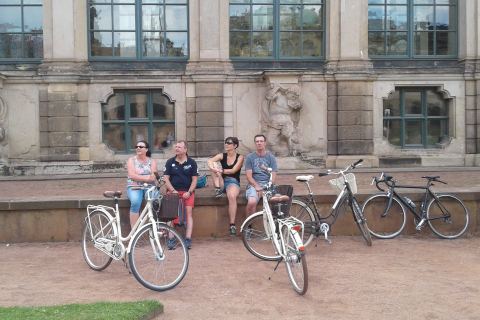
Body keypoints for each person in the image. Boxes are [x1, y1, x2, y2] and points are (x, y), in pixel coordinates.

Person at [163, 140, 198, 249]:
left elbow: (194, 180)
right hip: (173, 192)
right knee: (170, 216)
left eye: (179, 147)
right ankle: (171, 239)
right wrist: (173, 191)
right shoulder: (170, 162)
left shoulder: (192, 162)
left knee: (188, 214)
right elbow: (166, 179)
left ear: (185, 149)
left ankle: (187, 239)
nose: (177, 148)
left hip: (187, 192)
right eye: (176, 147)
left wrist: (189, 192)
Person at [207, 137, 245, 236]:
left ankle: (232, 225)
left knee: (232, 197)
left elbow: (233, 171)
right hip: (221, 180)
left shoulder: (240, 157)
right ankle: (217, 189)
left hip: (233, 182)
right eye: (226, 143)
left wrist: (220, 170)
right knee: (214, 166)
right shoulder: (222, 155)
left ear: (235, 145)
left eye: (229, 143)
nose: (226, 144)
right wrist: (213, 168)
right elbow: (210, 161)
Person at [244, 134, 278, 216]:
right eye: (257, 141)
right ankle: (248, 226)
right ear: (255, 143)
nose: (259, 143)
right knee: (252, 202)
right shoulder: (250, 157)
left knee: (278, 202)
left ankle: (275, 226)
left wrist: (265, 188)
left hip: (268, 184)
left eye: (261, 141)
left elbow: (273, 177)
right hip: (254, 184)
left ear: (265, 143)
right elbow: (249, 176)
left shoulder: (271, 158)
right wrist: (257, 186)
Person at [127, 140, 158, 228]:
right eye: (136, 147)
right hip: (134, 186)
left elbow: (153, 176)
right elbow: (132, 176)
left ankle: (155, 227)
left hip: (150, 186)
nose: (138, 148)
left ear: (146, 149)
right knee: (136, 201)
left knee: (156, 201)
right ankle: (135, 230)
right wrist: (147, 178)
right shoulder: (131, 160)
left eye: (141, 147)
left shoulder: (152, 161)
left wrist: (139, 177)